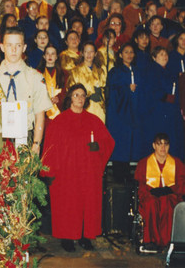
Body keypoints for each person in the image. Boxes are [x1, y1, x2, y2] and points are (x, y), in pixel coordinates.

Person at [42, 84, 115, 252]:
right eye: (76, 95)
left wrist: (98, 147)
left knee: (87, 205)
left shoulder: (93, 120)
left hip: (87, 172)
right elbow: (50, 147)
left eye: (83, 95)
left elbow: (108, 142)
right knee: (68, 205)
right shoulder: (59, 121)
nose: (80, 98)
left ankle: (84, 237)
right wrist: (49, 171)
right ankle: (67, 238)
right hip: (66, 173)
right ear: (70, 98)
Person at [0, 26, 52, 165]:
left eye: (18, 45)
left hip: (23, 142)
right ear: (2, 47)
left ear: (24, 47)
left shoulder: (35, 78)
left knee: (24, 186)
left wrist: (36, 144)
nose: (14, 50)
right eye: (9, 45)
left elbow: (40, 115)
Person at [134, 133, 185, 250]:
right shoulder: (144, 163)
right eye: (159, 144)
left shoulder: (177, 163)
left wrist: (170, 189)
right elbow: (140, 186)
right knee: (151, 203)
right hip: (150, 196)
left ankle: (169, 241)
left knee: (167, 202)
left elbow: (184, 186)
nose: (163, 148)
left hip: (170, 196)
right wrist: (151, 192)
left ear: (169, 146)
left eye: (165, 144)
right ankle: (151, 241)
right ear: (154, 146)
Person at [106, 43, 147, 182]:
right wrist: (126, 89)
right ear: (120, 54)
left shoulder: (138, 71)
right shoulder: (115, 72)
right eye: (126, 52)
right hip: (121, 115)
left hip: (135, 115)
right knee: (121, 147)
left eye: (131, 52)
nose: (129, 55)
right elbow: (112, 93)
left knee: (134, 149)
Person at [144, 47, 185, 160]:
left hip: (170, 110)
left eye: (166, 54)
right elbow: (150, 90)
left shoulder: (170, 71)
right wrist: (165, 96)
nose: (164, 56)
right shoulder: (151, 70)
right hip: (158, 110)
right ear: (154, 57)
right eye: (161, 54)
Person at [67, 42, 107, 122]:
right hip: (83, 107)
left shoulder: (101, 70)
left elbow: (104, 88)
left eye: (91, 51)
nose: (89, 54)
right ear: (82, 53)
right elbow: (71, 90)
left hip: (99, 107)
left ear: (95, 53)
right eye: (86, 51)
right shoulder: (75, 71)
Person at [37, 45, 66, 122]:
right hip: (43, 112)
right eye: (47, 53)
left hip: (60, 111)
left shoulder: (63, 73)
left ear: (56, 57)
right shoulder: (37, 73)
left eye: (53, 53)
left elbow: (66, 91)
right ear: (44, 56)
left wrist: (59, 98)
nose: (50, 56)